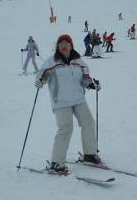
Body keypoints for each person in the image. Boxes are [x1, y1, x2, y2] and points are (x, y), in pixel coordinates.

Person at [35, 34, 102, 173]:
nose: (63, 45)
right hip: (61, 101)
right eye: (61, 43)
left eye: (66, 43)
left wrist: (91, 84)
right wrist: (41, 80)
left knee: (88, 122)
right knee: (66, 128)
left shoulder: (78, 61)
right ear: (58, 47)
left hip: (78, 98)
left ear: (71, 45)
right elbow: (43, 74)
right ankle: (56, 162)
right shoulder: (52, 61)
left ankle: (89, 154)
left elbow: (85, 77)